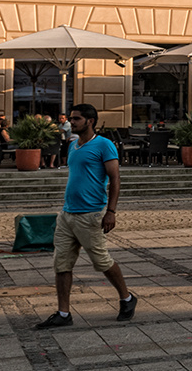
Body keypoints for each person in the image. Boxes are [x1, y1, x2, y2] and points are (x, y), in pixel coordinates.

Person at [37, 103, 135, 327]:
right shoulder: (74, 146)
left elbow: (115, 179)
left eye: (77, 119)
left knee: (102, 262)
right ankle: (63, 313)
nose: (72, 122)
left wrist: (110, 212)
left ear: (90, 121)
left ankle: (127, 298)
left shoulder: (104, 145)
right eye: (71, 118)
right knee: (61, 265)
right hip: (67, 214)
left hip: (91, 214)